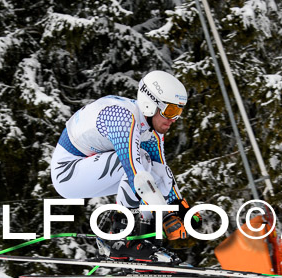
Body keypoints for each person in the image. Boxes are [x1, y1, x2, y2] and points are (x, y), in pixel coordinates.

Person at [50, 71, 199, 262]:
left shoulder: (150, 128)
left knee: (151, 169)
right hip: (68, 172)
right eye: (170, 111)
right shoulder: (121, 117)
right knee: (139, 167)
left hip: (91, 167)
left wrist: (180, 209)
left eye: (178, 113)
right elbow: (134, 171)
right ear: (150, 103)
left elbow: (161, 173)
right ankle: (119, 239)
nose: (173, 119)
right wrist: (165, 215)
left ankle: (146, 247)